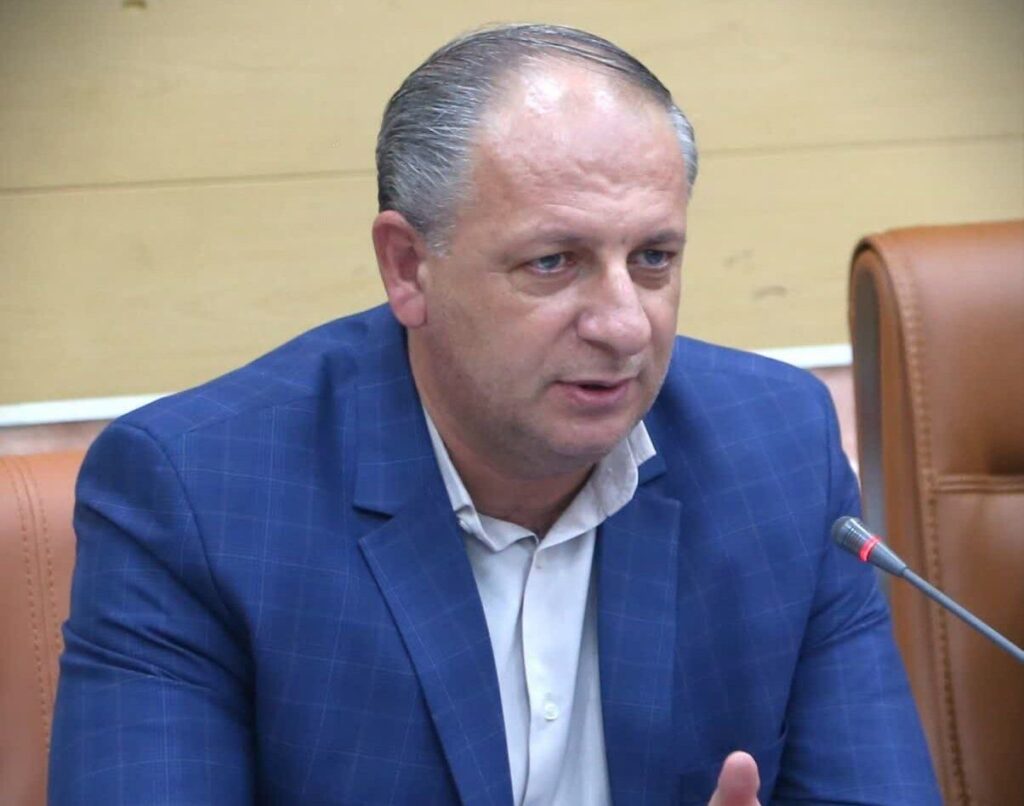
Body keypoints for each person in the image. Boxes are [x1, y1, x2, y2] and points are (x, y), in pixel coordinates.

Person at [49, 24, 940, 805]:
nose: (625, 325)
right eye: (553, 262)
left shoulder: (777, 450)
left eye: (654, 258)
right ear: (408, 267)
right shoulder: (198, 497)